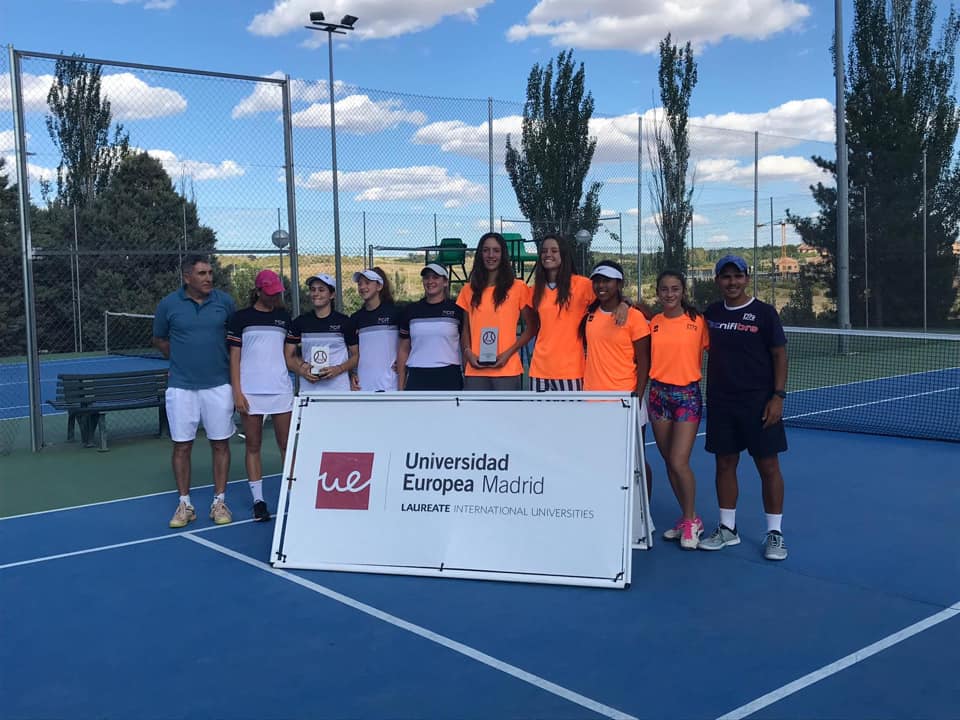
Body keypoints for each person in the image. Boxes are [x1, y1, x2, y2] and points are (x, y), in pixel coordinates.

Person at [699, 254, 789, 561]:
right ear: (717, 281)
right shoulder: (710, 314)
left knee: (768, 467)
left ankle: (775, 533)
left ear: (747, 278)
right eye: (726, 277)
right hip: (722, 403)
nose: (732, 282)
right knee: (724, 464)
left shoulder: (764, 314)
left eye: (737, 276)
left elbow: (779, 355)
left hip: (759, 404)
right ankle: (727, 529)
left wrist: (777, 396)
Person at [151, 255, 236, 528]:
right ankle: (185, 504)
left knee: (220, 443)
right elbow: (160, 339)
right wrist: (181, 361)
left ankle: (219, 502)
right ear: (187, 277)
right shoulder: (168, 305)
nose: (209, 278)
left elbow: (234, 340)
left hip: (219, 385)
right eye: (202, 273)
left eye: (210, 272)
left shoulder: (224, 302)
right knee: (181, 446)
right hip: (181, 387)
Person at [579, 260, 653, 501]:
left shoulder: (634, 317)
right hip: (594, 401)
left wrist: (636, 399)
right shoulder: (588, 315)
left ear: (619, 283)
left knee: (636, 462)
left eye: (607, 281)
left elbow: (644, 362)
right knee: (601, 459)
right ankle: (611, 509)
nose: (601, 285)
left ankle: (643, 513)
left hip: (626, 399)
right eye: (597, 280)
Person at [648, 270, 710, 550]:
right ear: (658, 292)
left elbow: (720, 354)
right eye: (664, 289)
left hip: (687, 397)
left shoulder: (698, 322)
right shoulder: (653, 323)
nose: (669, 294)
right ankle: (691, 519)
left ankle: (689, 518)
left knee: (678, 461)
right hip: (658, 395)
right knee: (667, 460)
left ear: (683, 291)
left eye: (675, 289)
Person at [226, 269, 292, 522]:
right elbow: (234, 358)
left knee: (286, 445)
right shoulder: (240, 318)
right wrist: (237, 392)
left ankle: (293, 496)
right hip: (250, 391)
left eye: (277, 293)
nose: (275, 297)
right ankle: (259, 501)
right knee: (253, 445)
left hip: (281, 389)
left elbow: (290, 353)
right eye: (270, 292)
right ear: (258, 290)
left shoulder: (284, 318)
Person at [456, 232, 537, 391]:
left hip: (506, 368)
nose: (491, 255)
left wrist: (508, 354)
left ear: (503, 254)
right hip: (476, 370)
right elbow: (466, 330)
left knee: (506, 416)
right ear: (480, 254)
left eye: (496, 250)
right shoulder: (468, 290)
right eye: (486, 250)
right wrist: (468, 353)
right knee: (476, 416)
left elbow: (532, 327)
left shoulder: (518, 287)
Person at [285, 273, 359, 395]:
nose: (316, 294)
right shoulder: (300, 322)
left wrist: (338, 369)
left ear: (332, 294)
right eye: (313, 290)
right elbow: (289, 356)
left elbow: (356, 356)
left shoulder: (345, 322)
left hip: (339, 390)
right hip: (309, 390)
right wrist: (302, 370)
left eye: (321, 290)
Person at [397, 263, 464, 391]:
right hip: (417, 375)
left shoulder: (457, 310)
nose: (430, 281)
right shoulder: (410, 311)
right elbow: (403, 350)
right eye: (426, 278)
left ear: (445, 282)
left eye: (435, 277)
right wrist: (400, 387)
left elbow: (465, 343)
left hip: (449, 375)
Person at [351, 267, 401, 392]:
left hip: (390, 385)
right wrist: (352, 373)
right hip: (363, 385)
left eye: (367, 283)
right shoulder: (355, 318)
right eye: (360, 284)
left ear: (379, 286)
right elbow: (352, 352)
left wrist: (404, 362)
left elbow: (408, 342)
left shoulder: (396, 313)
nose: (362, 287)